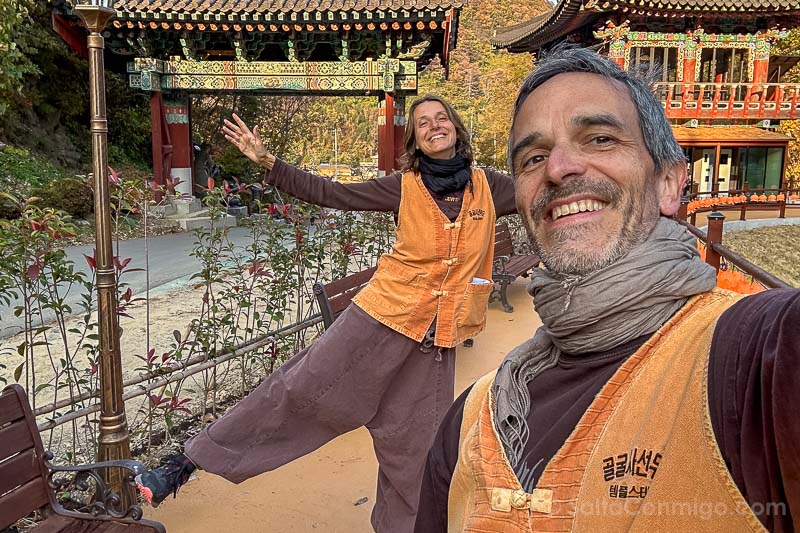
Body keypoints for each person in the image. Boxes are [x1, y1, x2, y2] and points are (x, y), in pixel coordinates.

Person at [414, 47, 799, 532]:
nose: (558, 168)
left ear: (668, 183)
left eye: (599, 138)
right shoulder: (468, 423)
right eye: (533, 157)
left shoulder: (753, 362)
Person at [135, 95, 517, 532]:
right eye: (423, 123)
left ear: (456, 127)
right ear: (415, 139)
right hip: (380, 319)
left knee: (418, 451)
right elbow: (334, 194)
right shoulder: (403, 186)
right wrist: (269, 163)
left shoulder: (490, 187)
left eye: (441, 118)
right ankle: (184, 464)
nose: (434, 126)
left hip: (434, 340)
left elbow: (541, 194)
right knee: (297, 388)